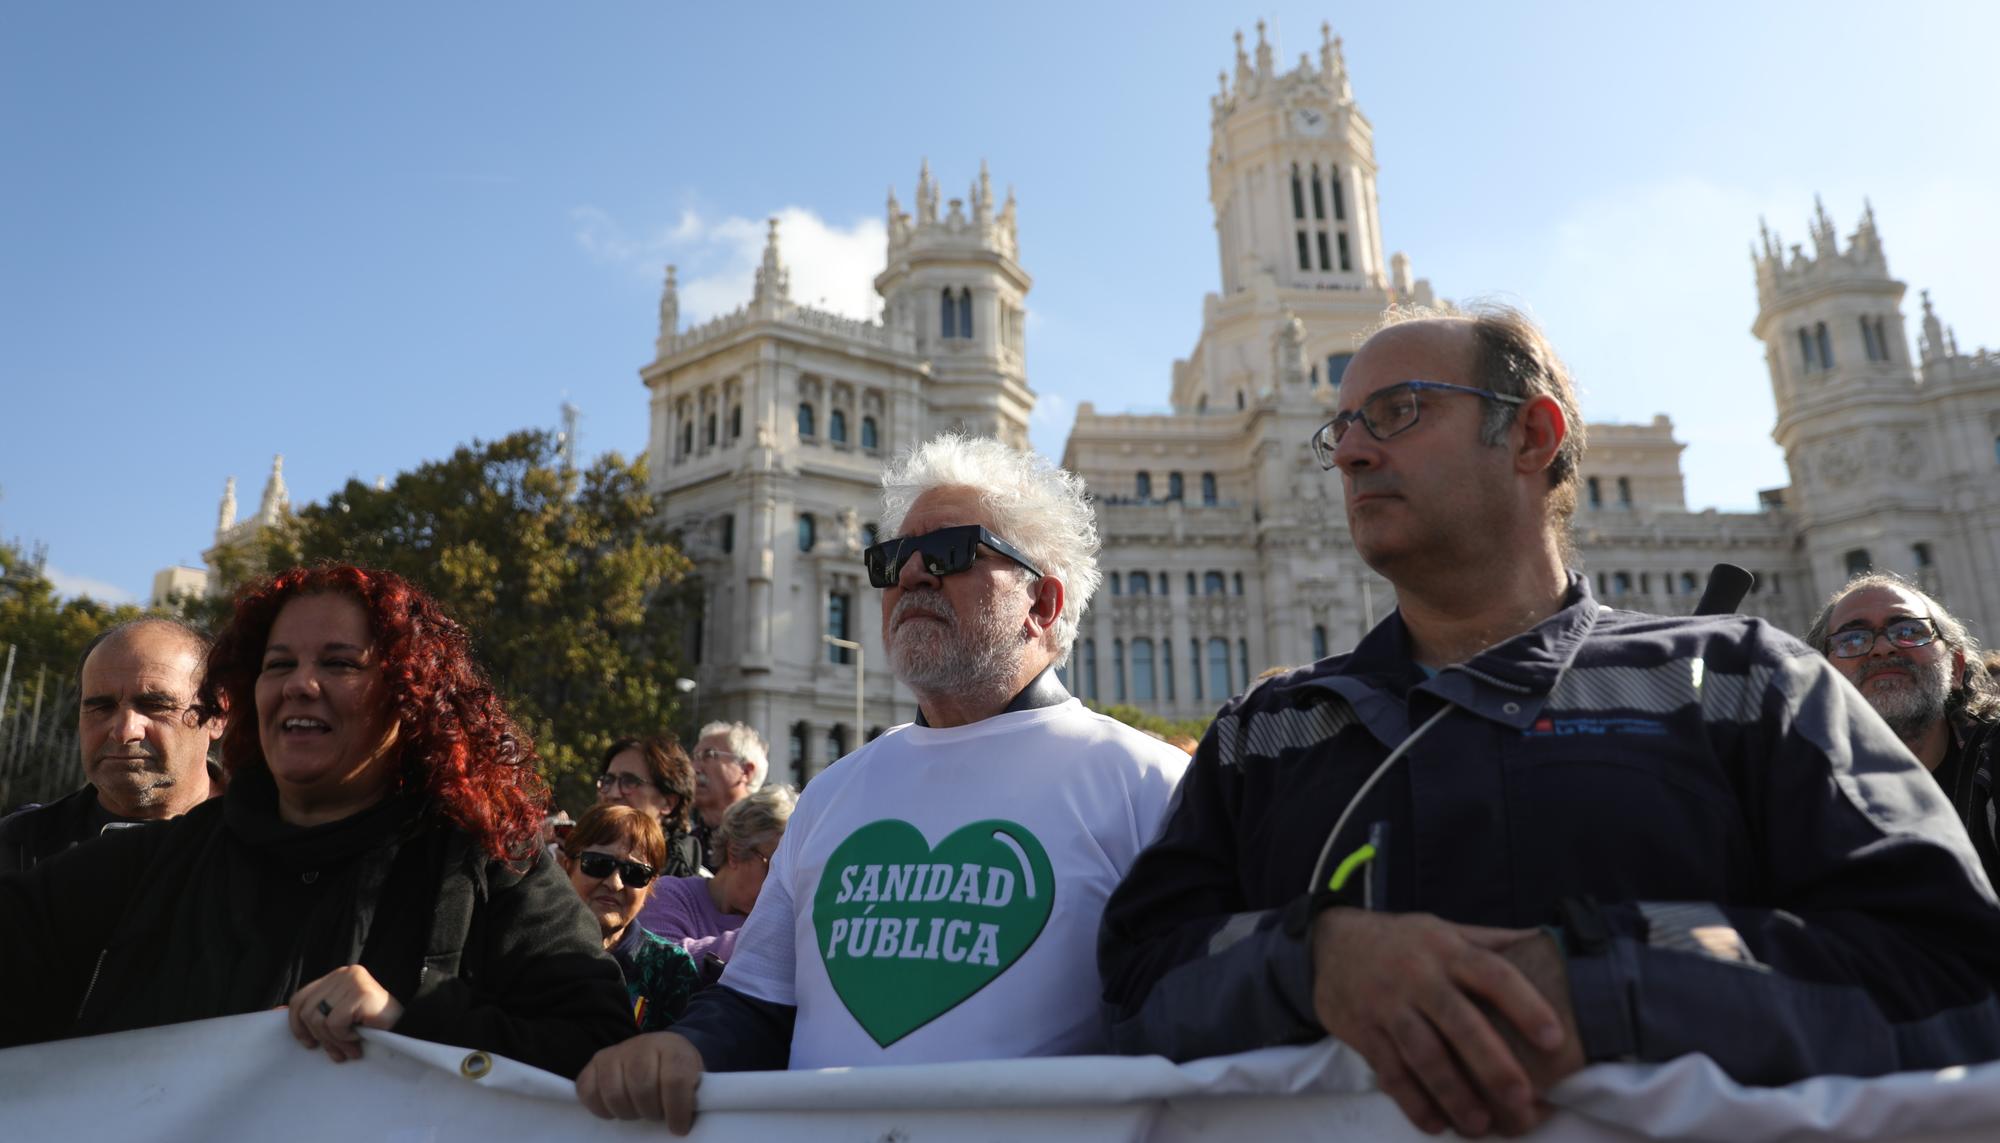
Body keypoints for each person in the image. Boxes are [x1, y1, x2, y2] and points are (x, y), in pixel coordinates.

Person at [1097, 304, 2000, 1139]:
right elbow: (1132, 985)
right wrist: (1312, 958)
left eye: (1399, 411)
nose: (1351, 454)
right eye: (1342, 429)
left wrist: (1609, 978)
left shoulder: (1741, 682)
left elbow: (1950, 964)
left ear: (1533, 434)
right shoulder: (1270, 730)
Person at [577, 435, 1190, 1132]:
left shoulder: (1152, 785)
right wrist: (682, 1048)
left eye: (954, 551)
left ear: (1042, 604)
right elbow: (757, 1005)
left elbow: (1192, 1032)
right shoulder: (834, 792)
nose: (914, 575)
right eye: (892, 559)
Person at [0, 565, 635, 1077]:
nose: (300, 684)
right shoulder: (161, 859)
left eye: (339, 663)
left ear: (407, 699)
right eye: (278, 665)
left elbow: (596, 1043)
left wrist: (411, 1020)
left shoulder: (488, 863)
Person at [1805, 573, 2000, 883]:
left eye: (1909, 630)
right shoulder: (1795, 795)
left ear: (1956, 668)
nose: (1882, 648)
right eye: (1852, 639)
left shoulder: (1991, 759)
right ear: (1822, 679)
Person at [0, 618, 223, 873]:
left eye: (155, 706)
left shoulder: (266, 847)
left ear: (217, 715)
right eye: (101, 707)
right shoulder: (14, 849)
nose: (125, 731)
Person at [558, 804, 701, 1033]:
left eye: (635, 873)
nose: (614, 883)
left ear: (651, 886)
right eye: (598, 864)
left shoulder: (671, 968)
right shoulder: (527, 944)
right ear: (566, 867)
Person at [639, 783, 797, 965]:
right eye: (775, 868)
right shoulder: (670, 894)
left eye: (793, 876)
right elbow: (660, 964)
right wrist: (764, 937)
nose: (783, 884)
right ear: (734, 852)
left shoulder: (779, 920)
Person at [597, 736, 700, 878]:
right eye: (608, 780)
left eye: (630, 782)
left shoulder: (693, 886)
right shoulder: (573, 860)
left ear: (668, 803)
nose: (613, 793)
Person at [689, 720, 768, 849]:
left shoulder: (769, 843)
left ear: (746, 771)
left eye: (709, 755)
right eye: (695, 758)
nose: (694, 768)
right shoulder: (684, 847)